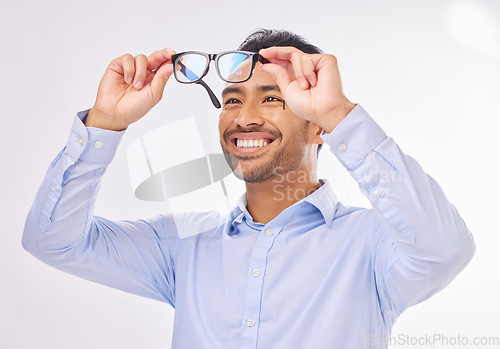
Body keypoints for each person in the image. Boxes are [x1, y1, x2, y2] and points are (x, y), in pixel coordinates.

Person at [22, 29, 475, 349]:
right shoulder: (185, 246)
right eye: (233, 99)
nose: (245, 117)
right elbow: (53, 241)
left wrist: (338, 113)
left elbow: (445, 249)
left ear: (318, 127)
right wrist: (105, 123)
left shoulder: (372, 245)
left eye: (272, 98)